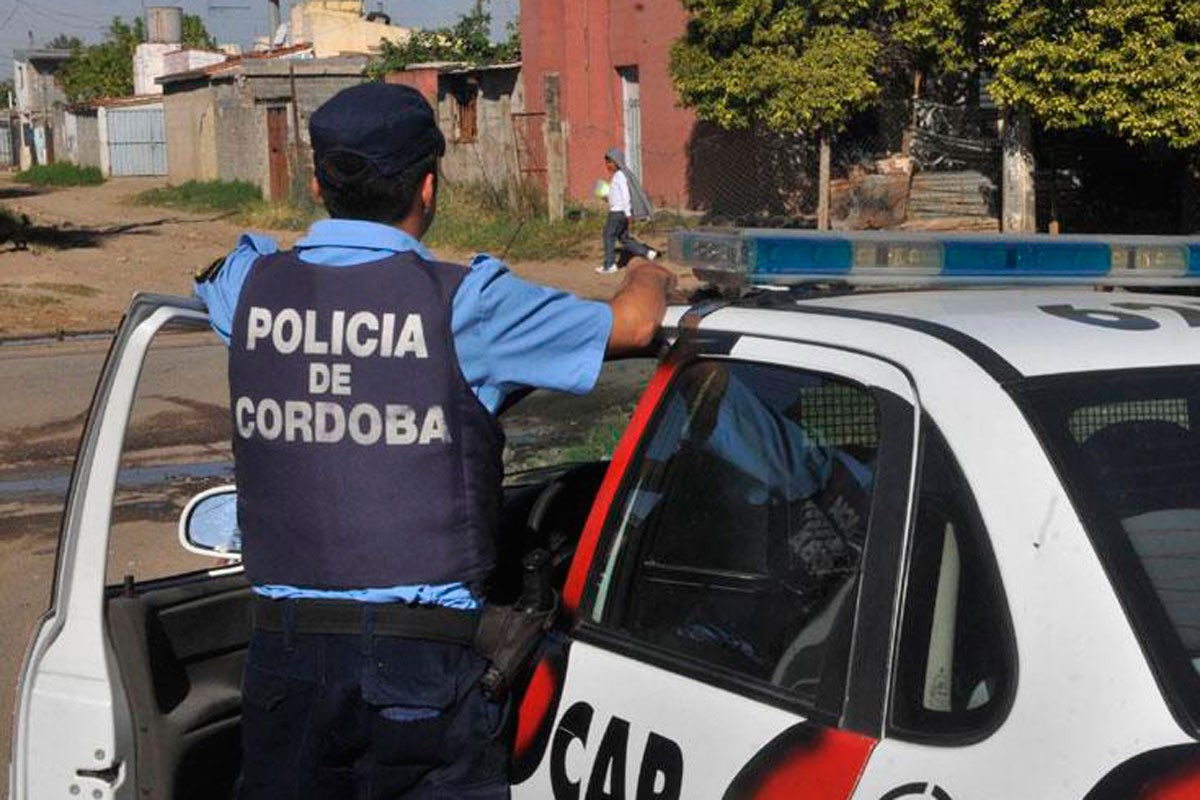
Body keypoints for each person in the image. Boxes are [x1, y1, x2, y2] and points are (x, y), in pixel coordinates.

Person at [193, 82, 673, 799]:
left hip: (283, 665)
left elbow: (219, 276)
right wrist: (646, 269)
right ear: (428, 185)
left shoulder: (250, 288)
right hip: (420, 664)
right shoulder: (467, 304)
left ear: (319, 183)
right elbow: (634, 325)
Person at [597, 147, 661, 274]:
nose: (607, 165)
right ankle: (648, 253)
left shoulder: (620, 176)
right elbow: (617, 195)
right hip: (619, 211)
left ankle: (609, 265)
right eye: (606, 163)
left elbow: (626, 195)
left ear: (617, 162)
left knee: (608, 236)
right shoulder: (618, 176)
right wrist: (606, 196)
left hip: (617, 213)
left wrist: (627, 213)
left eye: (610, 162)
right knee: (624, 238)